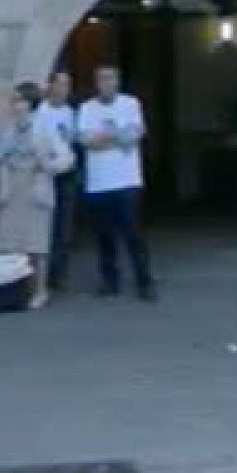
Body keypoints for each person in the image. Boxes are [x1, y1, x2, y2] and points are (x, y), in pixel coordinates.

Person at [77, 66, 157, 302]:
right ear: (96, 83)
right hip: (98, 183)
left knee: (134, 234)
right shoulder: (87, 108)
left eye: (110, 78)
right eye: (102, 79)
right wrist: (117, 136)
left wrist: (104, 137)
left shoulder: (130, 104)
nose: (106, 83)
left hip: (127, 181)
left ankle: (144, 281)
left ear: (117, 81)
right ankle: (110, 281)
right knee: (104, 236)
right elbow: (85, 140)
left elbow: (136, 133)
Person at [0, 86, 75, 310]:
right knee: (11, 242)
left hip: (36, 187)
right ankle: (16, 289)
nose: (14, 105)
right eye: (13, 101)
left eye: (18, 101)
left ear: (29, 104)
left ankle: (40, 290)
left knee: (36, 244)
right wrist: (3, 188)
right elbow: (2, 159)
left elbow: (67, 157)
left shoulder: (45, 128)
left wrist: (47, 166)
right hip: (13, 188)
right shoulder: (8, 130)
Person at [34, 72, 80, 292]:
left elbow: (72, 142)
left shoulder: (71, 113)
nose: (64, 89)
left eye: (67, 85)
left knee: (64, 225)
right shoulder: (39, 113)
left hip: (66, 174)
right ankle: (41, 274)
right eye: (60, 84)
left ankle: (59, 274)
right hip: (45, 173)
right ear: (50, 86)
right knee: (45, 225)